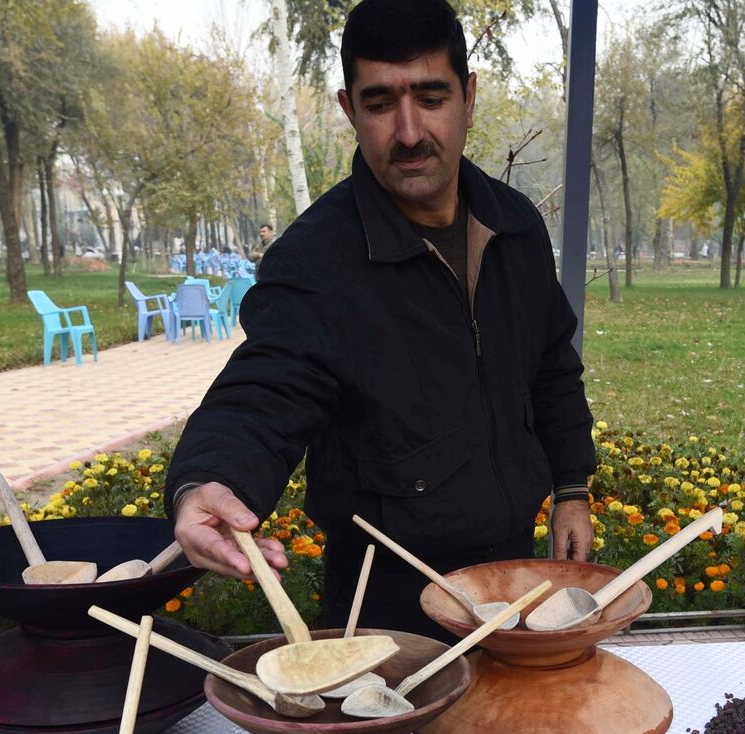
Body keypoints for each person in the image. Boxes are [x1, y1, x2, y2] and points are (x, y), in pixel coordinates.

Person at [165, 0, 593, 640]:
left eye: (430, 96)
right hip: (387, 602)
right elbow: (267, 385)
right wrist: (210, 476)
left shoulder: (514, 226)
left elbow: (552, 365)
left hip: (512, 573)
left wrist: (570, 488)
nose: (410, 130)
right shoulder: (316, 259)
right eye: (380, 103)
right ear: (349, 111)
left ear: (468, 98)